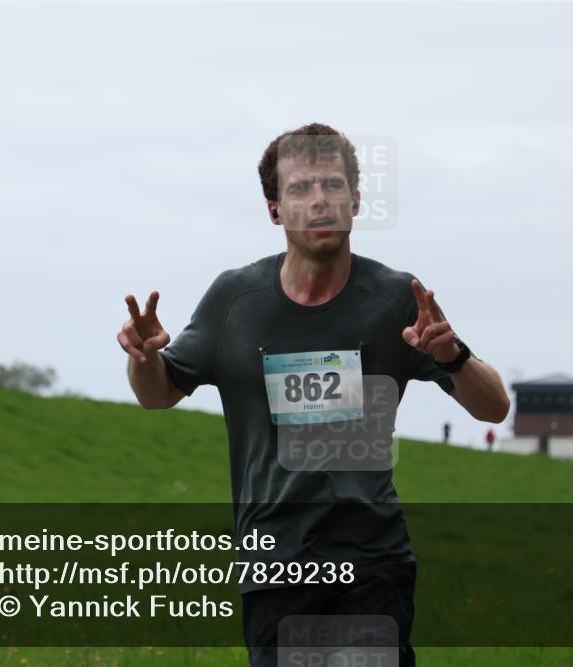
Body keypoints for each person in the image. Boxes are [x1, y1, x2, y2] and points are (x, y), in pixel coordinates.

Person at [117, 123, 510, 667]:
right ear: (275, 210)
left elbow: (494, 406)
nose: (320, 200)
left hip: (371, 558)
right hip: (275, 564)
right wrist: (144, 359)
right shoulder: (236, 300)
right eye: (301, 188)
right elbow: (157, 394)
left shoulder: (398, 299)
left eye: (333, 185)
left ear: (356, 200)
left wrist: (453, 357)